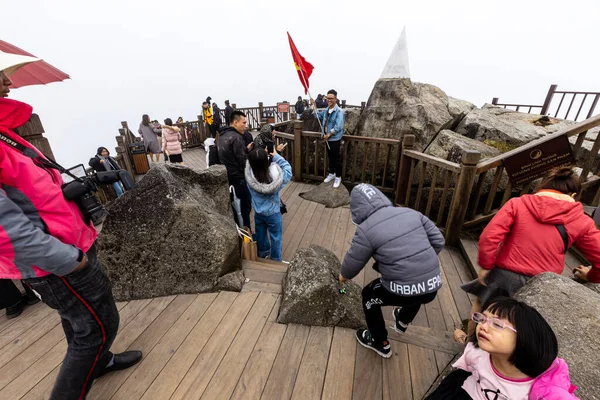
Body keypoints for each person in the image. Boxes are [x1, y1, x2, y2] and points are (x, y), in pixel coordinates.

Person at [0, 98, 142, 399]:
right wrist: (69, 260)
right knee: (97, 328)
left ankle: (100, 363)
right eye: (2, 76)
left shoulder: (5, 132)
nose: (8, 83)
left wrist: (63, 192)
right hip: (56, 259)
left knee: (76, 318)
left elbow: (27, 191)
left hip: (68, 244)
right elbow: (5, 231)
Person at [455, 166, 600, 343]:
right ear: (573, 195)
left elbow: (489, 237)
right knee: (517, 323)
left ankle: (470, 343)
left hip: (504, 275)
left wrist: (486, 265)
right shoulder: (581, 220)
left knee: (482, 305)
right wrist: (591, 275)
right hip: (542, 283)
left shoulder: (518, 203)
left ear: (543, 188)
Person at [339, 183, 444, 358]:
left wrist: (343, 276)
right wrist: (418, 261)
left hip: (402, 290)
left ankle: (379, 342)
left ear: (356, 209)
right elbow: (439, 241)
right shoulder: (412, 213)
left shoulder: (366, 230)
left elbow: (353, 262)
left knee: (369, 297)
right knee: (415, 284)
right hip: (432, 286)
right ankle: (403, 320)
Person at [426, 298, 578, 399]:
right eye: (482, 318)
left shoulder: (540, 390)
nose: (483, 326)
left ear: (526, 338)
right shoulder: (479, 353)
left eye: (497, 324)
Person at [0, 66, 41, 319]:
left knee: (84, 323)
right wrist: (60, 257)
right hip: (41, 248)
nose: (9, 81)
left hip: (44, 240)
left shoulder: (7, 132)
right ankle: (15, 298)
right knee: (87, 328)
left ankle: (23, 293)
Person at [245, 147, 292, 261]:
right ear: (267, 163)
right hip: (273, 214)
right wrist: (276, 156)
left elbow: (250, 165)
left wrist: (253, 155)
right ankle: (276, 259)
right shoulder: (276, 178)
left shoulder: (249, 177)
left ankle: (263, 253)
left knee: (261, 235)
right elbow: (288, 169)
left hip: (259, 213)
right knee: (276, 237)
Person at [218, 110, 252, 230]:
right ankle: (247, 238)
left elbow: (230, 156)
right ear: (235, 122)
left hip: (227, 177)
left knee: (235, 210)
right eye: (244, 122)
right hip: (239, 179)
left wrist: (245, 150)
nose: (245, 126)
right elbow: (243, 162)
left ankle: (239, 233)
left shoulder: (222, 136)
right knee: (244, 209)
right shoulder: (236, 138)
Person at [311, 89, 345, 188]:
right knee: (330, 157)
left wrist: (329, 134)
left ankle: (338, 176)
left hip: (334, 139)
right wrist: (314, 105)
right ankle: (331, 173)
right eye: (327, 98)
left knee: (336, 158)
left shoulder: (339, 112)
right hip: (327, 138)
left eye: (331, 98)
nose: (329, 100)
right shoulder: (326, 110)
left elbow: (339, 126)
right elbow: (317, 116)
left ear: (335, 99)